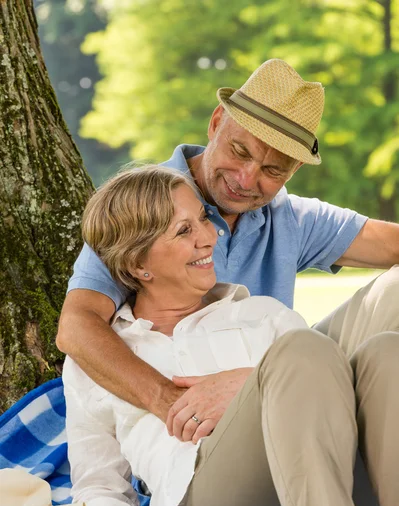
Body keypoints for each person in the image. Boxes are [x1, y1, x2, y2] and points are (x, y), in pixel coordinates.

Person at [64, 165, 399, 506]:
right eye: (183, 230)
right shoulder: (108, 354)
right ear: (137, 265)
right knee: (303, 350)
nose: (209, 237)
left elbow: (328, 393)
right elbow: (99, 477)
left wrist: (248, 387)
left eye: (203, 219)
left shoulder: (261, 314)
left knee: (387, 352)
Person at [57, 58, 399, 442]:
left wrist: (256, 383)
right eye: (239, 151)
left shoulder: (291, 217)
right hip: (199, 417)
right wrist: (171, 402)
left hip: (280, 375)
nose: (246, 179)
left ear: (294, 170)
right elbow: (76, 326)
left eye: (273, 171)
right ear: (217, 122)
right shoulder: (143, 209)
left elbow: (392, 244)